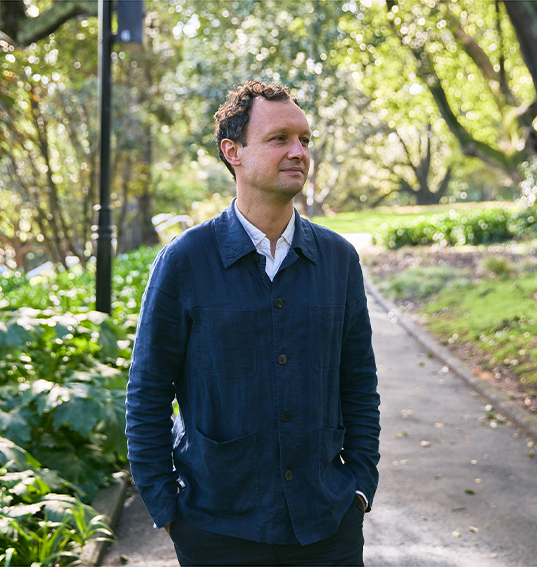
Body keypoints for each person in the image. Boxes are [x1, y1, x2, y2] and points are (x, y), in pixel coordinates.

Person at [125, 80, 381, 566]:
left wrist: (361, 485)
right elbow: (148, 389)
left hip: (327, 526)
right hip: (216, 529)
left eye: (305, 139)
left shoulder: (338, 260)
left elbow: (359, 383)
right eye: (279, 138)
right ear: (233, 152)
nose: (298, 151)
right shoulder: (185, 262)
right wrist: (167, 507)